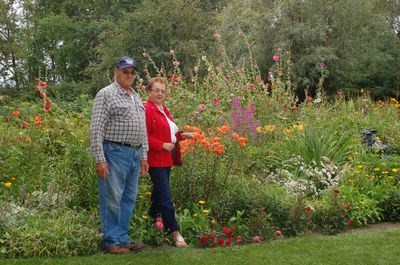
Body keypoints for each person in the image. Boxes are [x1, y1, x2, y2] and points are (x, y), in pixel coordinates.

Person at [90, 56, 149, 254]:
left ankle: (123, 239)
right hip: (114, 152)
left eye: (132, 72)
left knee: (128, 199)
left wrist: (144, 155)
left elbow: (143, 128)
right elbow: (96, 129)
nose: (129, 75)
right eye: (125, 71)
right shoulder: (105, 94)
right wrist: (99, 159)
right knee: (112, 198)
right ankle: (110, 241)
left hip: (134, 153)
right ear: (116, 71)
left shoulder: (135, 95)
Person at [144, 77, 193, 248]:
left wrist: (182, 135)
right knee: (165, 197)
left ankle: (149, 224)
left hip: (167, 159)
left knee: (158, 196)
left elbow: (169, 133)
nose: (159, 93)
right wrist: (161, 145)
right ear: (149, 91)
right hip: (155, 160)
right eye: (156, 90)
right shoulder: (147, 109)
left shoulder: (163, 109)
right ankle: (174, 232)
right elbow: (145, 135)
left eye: (162, 91)